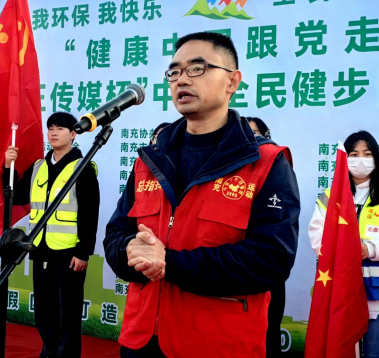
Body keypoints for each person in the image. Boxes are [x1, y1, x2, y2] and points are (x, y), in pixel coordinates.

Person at [104, 32, 300, 358]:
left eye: (197, 68)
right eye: (174, 72)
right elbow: (115, 234)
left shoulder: (267, 162)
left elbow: (271, 260)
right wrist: (130, 252)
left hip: (216, 345)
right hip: (141, 340)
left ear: (232, 81)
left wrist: (170, 263)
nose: (182, 79)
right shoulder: (150, 161)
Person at [309, 131, 379, 358]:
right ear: (345, 159)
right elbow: (317, 236)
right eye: (354, 154)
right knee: (341, 351)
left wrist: (369, 249)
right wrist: (343, 252)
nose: (361, 160)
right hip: (340, 291)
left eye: (367, 154)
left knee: (374, 353)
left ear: (376, 158)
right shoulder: (330, 196)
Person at [4, 112, 100, 358]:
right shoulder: (39, 166)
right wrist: (8, 168)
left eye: (60, 128)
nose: (54, 133)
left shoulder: (82, 167)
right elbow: (18, 196)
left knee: (67, 313)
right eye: (51, 128)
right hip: (39, 249)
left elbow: (90, 212)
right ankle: (48, 353)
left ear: (73, 134)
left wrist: (83, 252)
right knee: (44, 312)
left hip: (69, 253)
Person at [247, 116, 287, 357]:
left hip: (266, 273)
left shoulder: (276, 167)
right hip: (236, 271)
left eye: (256, 134)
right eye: (246, 133)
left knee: (269, 332)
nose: (252, 139)